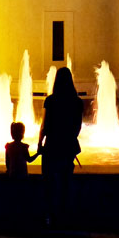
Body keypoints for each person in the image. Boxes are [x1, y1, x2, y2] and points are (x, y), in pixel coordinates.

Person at [37, 66, 83, 226]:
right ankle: (65, 214)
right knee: (65, 180)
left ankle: (49, 215)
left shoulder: (50, 100)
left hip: (51, 145)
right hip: (67, 146)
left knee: (49, 181)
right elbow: (78, 126)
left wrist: (39, 143)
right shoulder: (77, 102)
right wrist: (69, 138)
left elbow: (44, 125)